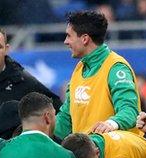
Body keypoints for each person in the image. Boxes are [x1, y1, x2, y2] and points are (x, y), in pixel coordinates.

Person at [54, 10, 141, 139]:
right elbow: (66, 117)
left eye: (69, 36)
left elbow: (130, 111)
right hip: (85, 155)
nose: (65, 41)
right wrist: (41, 134)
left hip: (115, 154)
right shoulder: (79, 68)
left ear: (84, 39)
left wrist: (112, 123)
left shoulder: (116, 68)